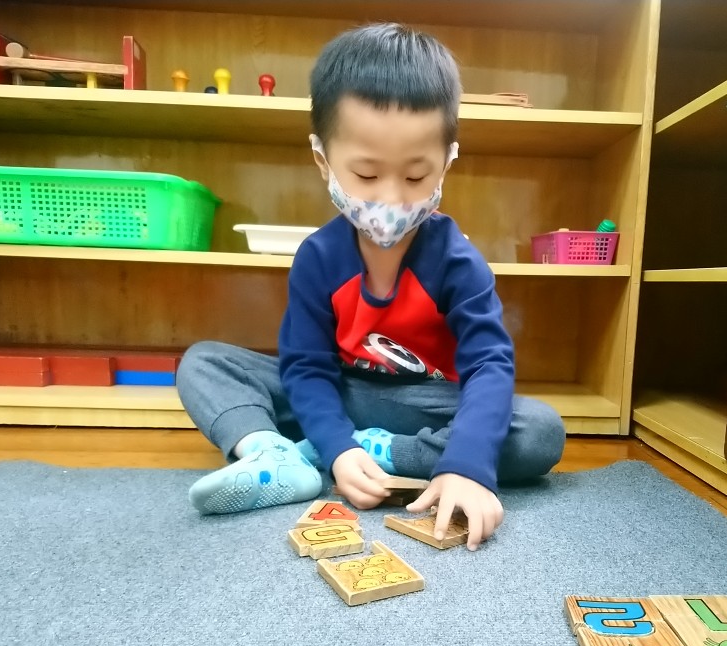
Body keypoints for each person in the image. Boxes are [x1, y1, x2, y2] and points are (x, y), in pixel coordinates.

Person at [176, 22, 566, 550]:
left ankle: (373, 453)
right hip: (340, 392)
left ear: (447, 162)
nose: (391, 199)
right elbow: (306, 368)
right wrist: (338, 445)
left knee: (539, 430)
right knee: (204, 362)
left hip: (426, 405)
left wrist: (467, 466)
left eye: (415, 177)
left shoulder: (457, 262)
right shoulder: (318, 258)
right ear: (324, 161)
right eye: (365, 174)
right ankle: (273, 453)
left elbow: (489, 366)